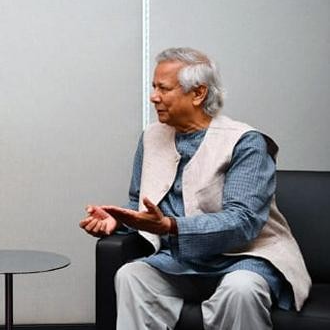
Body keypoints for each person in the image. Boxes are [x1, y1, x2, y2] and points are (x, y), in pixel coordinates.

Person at [79, 47, 310, 329]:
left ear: (198, 93)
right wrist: (119, 220)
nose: (154, 97)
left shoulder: (246, 143)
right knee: (132, 275)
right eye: (153, 87)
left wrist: (171, 226)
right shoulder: (151, 138)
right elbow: (140, 204)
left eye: (163, 89)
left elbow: (243, 221)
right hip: (180, 262)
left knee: (240, 290)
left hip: (245, 257)